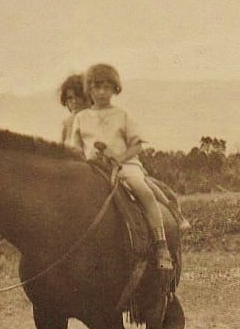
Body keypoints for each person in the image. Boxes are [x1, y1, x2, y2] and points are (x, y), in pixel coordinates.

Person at [68, 63, 174, 271]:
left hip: (125, 167)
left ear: (115, 89)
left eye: (107, 87)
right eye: (97, 87)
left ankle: (162, 246)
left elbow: (137, 145)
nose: (101, 92)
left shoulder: (122, 115)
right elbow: (76, 149)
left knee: (143, 191)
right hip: (93, 169)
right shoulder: (80, 118)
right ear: (89, 89)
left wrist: (119, 158)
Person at [59, 74, 90, 145]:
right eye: (70, 98)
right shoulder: (67, 123)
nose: (74, 101)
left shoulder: (96, 119)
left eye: (78, 96)